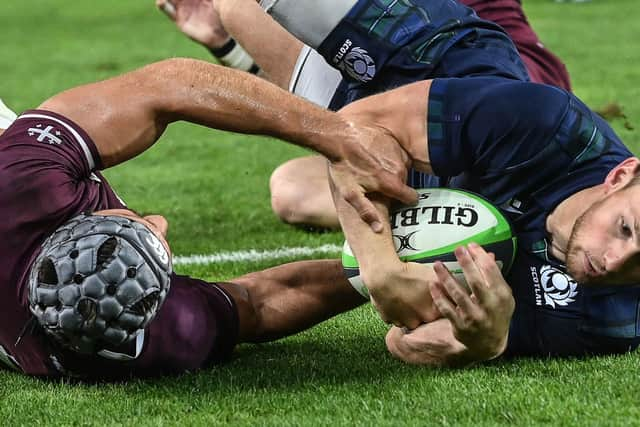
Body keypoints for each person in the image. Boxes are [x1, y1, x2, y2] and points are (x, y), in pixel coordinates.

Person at [159, 0, 640, 366]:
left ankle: (244, 53)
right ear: (620, 176)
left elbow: (403, 341)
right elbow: (356, 131)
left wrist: (487, 342)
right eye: (624, 229)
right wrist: (381, 267)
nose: (614, 261)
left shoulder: (615, 317)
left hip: (408, 157)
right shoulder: (548, 128)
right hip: (429, 58)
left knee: (289, 182)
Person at [0, 58, 421, 378]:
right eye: (154, 244)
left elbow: (170, 84)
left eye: (137, 230)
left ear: (74, 223)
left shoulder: (25, 174)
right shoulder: (159, 339)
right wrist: (387, 269)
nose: (160, 222)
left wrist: (335, 136)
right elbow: (256, 304)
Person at [157, 0, 572, 230]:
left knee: (238, 8)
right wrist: (230, 50)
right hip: (403, 109)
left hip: (504, 89)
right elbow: (349, 87)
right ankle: (436, 206)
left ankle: (428, 207)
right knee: (290, 189)